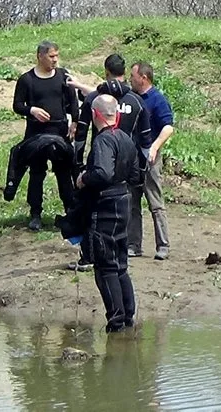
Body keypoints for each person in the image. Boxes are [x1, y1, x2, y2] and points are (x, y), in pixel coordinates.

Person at [65, 54, 152, 271]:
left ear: (106, 71)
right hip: (127, 160)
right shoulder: (136, 101)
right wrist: (142, 170)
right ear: (125, 72)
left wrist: (78, 166)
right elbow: (145, 140)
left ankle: (89, 255)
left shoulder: (95, 99)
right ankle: (131, 247)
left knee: (91, 207)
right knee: (130, 204)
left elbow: (81, 136)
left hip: (101, 159)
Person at [75, 93, 141, 333]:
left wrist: (84, 179)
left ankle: (116, 319)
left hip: (106, 206)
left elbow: (102, 172)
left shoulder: (103, 141)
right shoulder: (126, 138)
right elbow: (136, 176)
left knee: (105, 266)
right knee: (120, 264)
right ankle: (128, 316)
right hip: (124, 201)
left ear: (95, 115)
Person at [12, 40, 79, 231]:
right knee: (36, 174)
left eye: (57, 56)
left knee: (64, 173)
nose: (55, 60)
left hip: (60, 131)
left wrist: (75, 122)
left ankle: (70, 212)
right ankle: (35, 214)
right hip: (36, 134)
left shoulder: (62, 76)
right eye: (51, 56)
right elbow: (17, 105)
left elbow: (73, 101)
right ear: (40, 56)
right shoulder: (27, 80)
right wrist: (32, 110)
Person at [128, 61, 175, 260]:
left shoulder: (157, 100)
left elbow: (168, 127)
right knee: (132, 202)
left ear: (143, 78)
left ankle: (162, 245)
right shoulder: (130, 98)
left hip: (150, 160)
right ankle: (133, 245)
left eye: (133, 76)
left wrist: (154, 147)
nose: (130, 79)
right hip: (132, 159)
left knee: (155, 203)